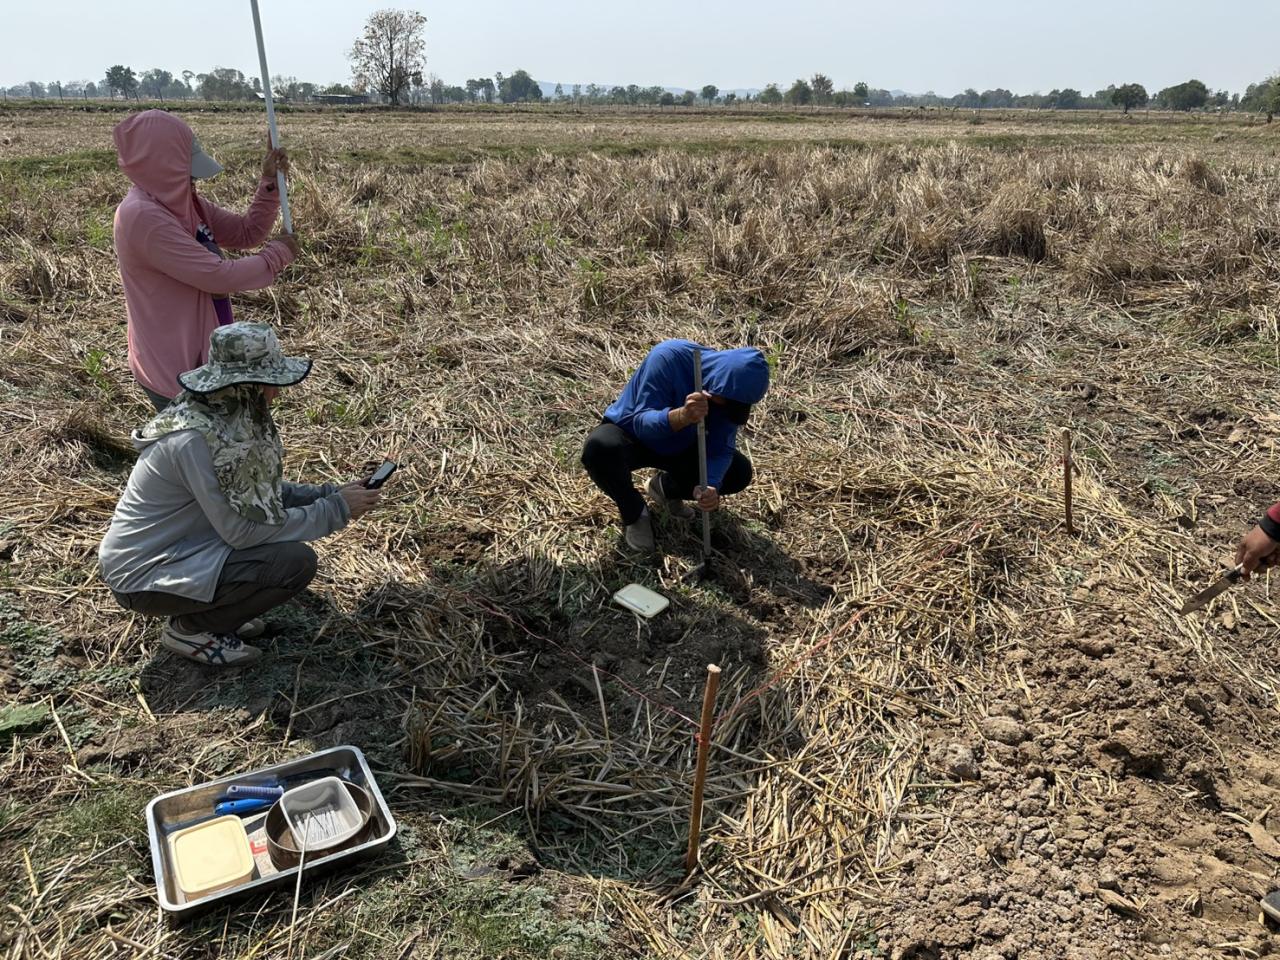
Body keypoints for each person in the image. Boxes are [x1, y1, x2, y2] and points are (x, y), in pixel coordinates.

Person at [99, 323, 383, 667]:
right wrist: (332, 510)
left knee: (278, 557)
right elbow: (242, 531)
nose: (275, 395)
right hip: (144, 575)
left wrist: (324, 494)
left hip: (185, 548)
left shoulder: (221, 419)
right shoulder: (193, 440)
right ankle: (191, 628)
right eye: (269, 385)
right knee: (292, 563)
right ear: (244, 386)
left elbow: (253, 494)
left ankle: (216, 609)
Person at [112, 109, 299, 412]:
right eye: (187, 173)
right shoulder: (142, 217)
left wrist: (269, 182)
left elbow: (245, 232)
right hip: (175, 369)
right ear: (161, 167)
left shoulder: (184, 203)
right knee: (200, 452)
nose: (194, 181)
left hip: (203, 354)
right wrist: (278, 254)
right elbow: (217, 276)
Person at [581, 339, 770, 552]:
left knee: (738, 473)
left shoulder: (730, 397)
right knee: (599, 448)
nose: (724, 407)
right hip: (634, 436)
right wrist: (682, 416)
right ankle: (634, 513)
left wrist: (710, 485)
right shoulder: (669, 357)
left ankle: (665, 488)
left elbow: (720, 448)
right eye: (721, 400)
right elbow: (642, 424)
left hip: (682, 445)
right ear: (716, 383)